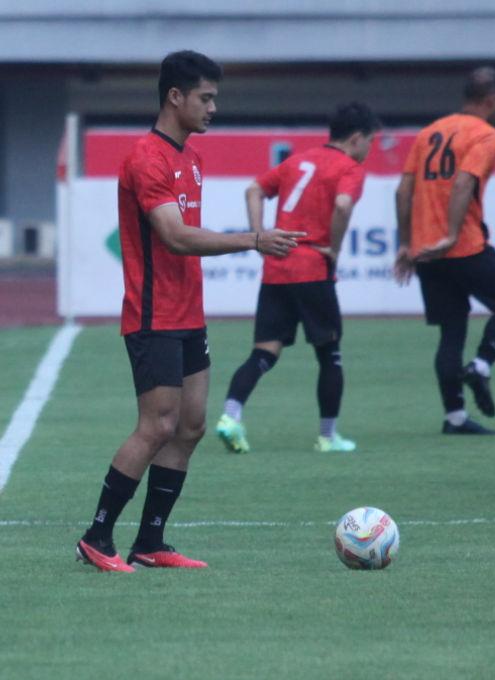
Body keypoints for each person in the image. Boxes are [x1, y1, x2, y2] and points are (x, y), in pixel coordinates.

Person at [75, 51, 302, 572]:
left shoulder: (191, 159)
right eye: (206, 97)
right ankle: (96, 537)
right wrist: (253, 240)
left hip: (187, 316)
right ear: (175, 97)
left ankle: (150, 542)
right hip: (152, 315)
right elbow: (175, 237)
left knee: (191, 427)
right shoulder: (145, 158)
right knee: (155, 426)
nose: (213, 107)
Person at [215, 102, 381, 455]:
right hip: (312, 269)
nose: (370, 149)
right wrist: (333, 248)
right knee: (329, 354)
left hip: (277, 267)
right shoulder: (349, 168)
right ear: (356, 138)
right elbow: (342, 206)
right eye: (371, 142)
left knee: (264, 352)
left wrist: (260, 236)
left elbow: (253, 190)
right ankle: (328, 436)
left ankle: (231, 416)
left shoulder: (297, 162)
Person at [393, 67, 495, 435]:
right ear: (493, 98)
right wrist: (451, 235)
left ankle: (454, 418)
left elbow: (403, 192)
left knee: (451, 331)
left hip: (425, 253)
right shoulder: (485, 135)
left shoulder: (428, 132)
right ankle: (481, 366)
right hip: (462, 244)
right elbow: (464, 181)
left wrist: (406, 243)